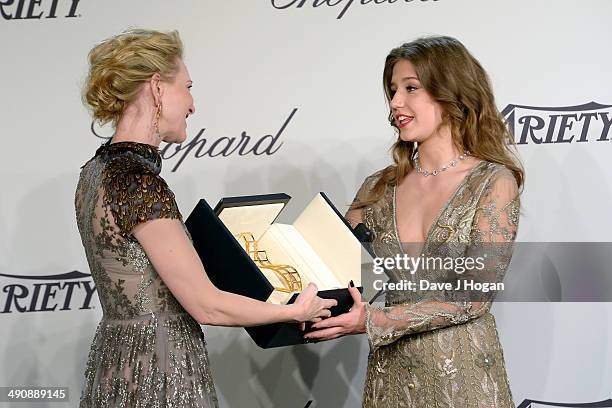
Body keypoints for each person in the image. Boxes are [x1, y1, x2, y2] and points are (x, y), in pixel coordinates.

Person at [75, 29, 336, 408]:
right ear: (157, 89)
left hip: (116, 364)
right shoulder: (139, 183)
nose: (193, 104)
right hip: (161, 370)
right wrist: (296, 310)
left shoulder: (93, 173)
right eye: (188, 87)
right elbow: (206, 304)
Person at [305, 36, 523, 407]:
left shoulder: (493, 181)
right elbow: (334, 269)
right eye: (392, 90)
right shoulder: (378, 186)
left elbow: (473, 296)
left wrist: (373, 321)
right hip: (390, 378)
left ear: (452, 93)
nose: (395, 103)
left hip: (464, 376)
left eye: (410, 88)